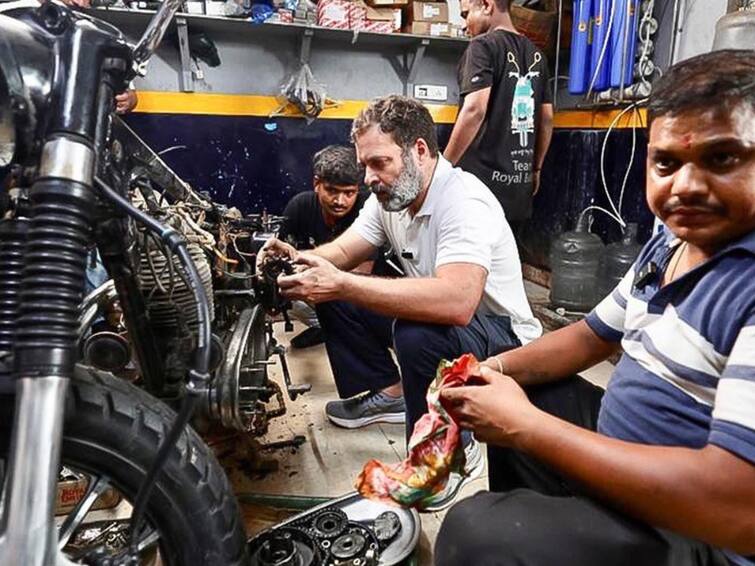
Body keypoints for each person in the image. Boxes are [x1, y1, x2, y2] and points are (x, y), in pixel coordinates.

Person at [435, 49, 755, 566]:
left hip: (701, 530)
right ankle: (560, 530)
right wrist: (485, 370)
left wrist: (527, 427)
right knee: (518, 390)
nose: (686, 186)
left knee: (475, 531)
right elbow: (589, 336)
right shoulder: (669, 246)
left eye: (722, 158)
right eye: (666, 163)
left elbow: (740, 503)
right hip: (634, 465)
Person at [261, 94, 541, 510]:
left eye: (379, 163)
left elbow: (458, 302)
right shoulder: (390, 198)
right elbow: (343, 253)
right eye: (365, 166)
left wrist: (341, 283)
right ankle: (391, 393)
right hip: (450, 323)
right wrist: (300, 259)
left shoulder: (463, 201)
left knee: (415, 332)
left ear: (420, 151)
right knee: (335, 294)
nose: (369, 178)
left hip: (502, 337)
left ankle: (448, 454)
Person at [444, 0, 553, 228]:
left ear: (486, 5)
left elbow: (474, 109)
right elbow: (546, 119)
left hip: (478, 192)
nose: (465, 25)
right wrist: (536, 168)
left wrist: (443, 167)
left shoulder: (482, 46)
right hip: (517, 189)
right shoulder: (537, 55)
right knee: (504, 260)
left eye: (466, 14)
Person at [278, 145, 370, 349]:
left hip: (358, 295)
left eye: (349, 193)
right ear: (316, 183)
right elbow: (281, 252)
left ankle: (347, 330)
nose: (340, 201)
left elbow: (364, 275)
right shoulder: (300, 206)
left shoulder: (367, 210)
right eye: (332, 191)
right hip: (322, 291)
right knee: (292, 299)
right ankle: (325, 328)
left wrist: (321, 282)